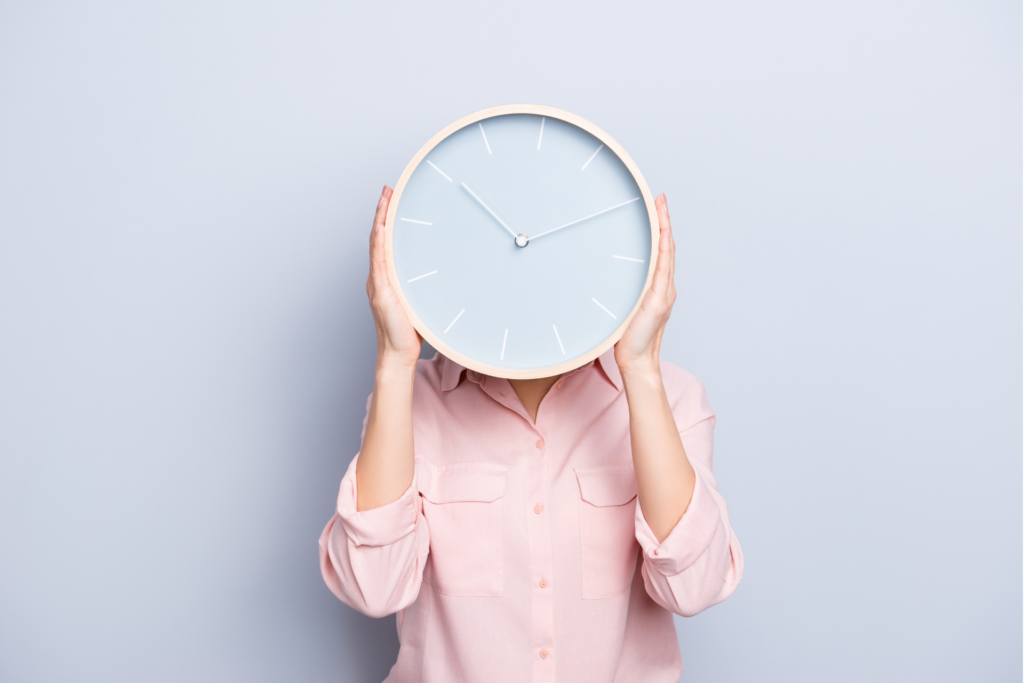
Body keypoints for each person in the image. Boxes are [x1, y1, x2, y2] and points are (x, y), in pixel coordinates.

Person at [319, 185, 744, 683]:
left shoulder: (669, 396)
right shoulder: (411, 403)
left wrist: (640, 369)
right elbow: (375, 588)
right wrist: (393, 360)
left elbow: (693, 588)